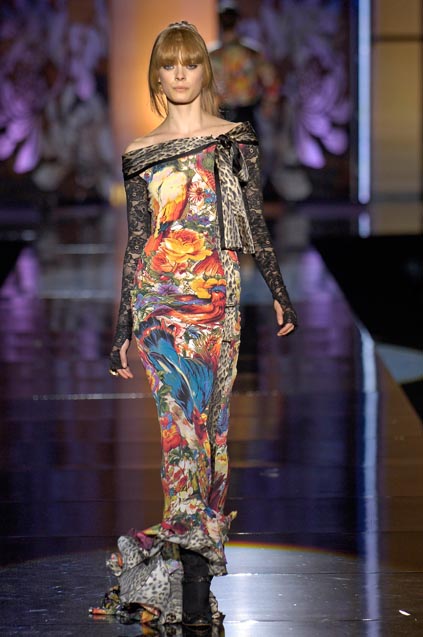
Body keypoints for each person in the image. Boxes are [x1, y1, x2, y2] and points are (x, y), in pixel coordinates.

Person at [90, 21, 297, 630]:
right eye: (169, 65)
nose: (180, 74)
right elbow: (137, 244)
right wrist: (122, 326)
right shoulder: (139, 152)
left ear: (205, 70)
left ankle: (187, 568)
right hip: (159, 304)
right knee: (179, 438)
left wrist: (279, 291)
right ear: (156, 75)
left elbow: (253, 219)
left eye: (189, 63)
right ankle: (193, 587)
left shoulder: (234, 139)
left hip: (216, 302)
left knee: (212, 437)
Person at [210, 2, 279, 129]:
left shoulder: (211, 55)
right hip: (239, 113)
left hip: (232, 113)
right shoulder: (252, 53)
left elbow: (270, 81)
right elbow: (271, 82)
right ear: (238, 21)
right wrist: (269, 104)